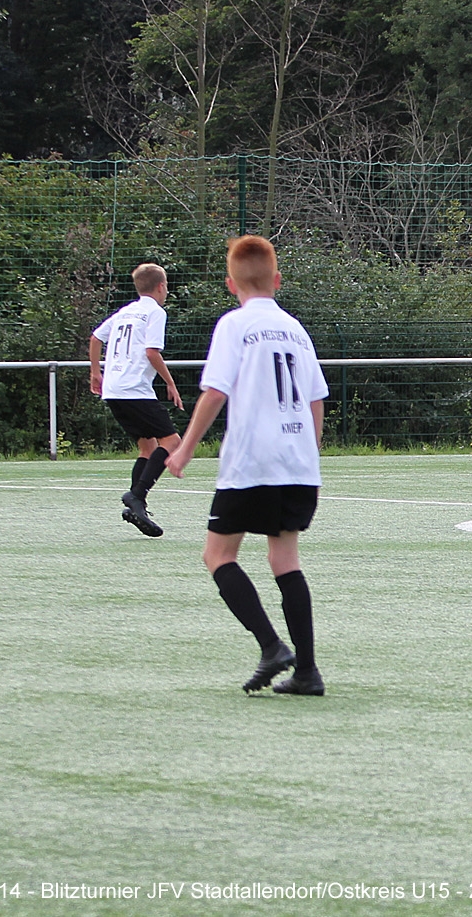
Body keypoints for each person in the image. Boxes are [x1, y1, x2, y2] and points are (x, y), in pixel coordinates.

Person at [165, 235, 329, 696]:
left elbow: (215, 391)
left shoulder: (234, 325)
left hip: (252, 461)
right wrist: (310, 454)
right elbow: (316, 399)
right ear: (277, 280)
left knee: (218, 555)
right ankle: (307, 672)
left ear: (230, 284)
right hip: (298, 464)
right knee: (285, 559)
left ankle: (272, 647)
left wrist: (186, 448)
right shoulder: (295, 329)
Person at [90, 262, 185, 537]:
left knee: (148, 447)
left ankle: (137, 507)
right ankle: (137, 496)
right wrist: (170, 383)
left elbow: (95, 338)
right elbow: (152, 352)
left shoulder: (125, 312)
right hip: (133, 389)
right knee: (172, 442)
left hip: (114, 390)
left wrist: (96, 373)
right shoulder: (155, 312)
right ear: (161, 286)